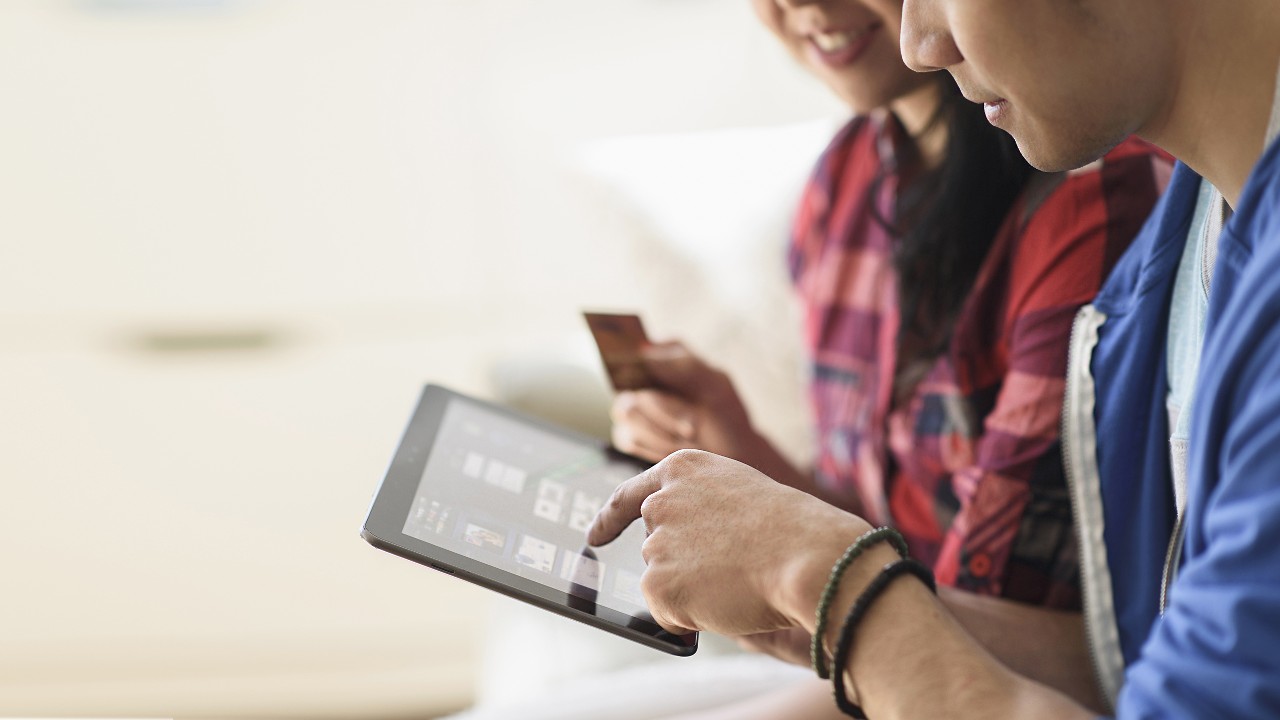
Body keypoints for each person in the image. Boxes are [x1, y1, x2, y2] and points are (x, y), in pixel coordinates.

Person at [589, 0, 1280, 716]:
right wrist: (787, 557)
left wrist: (816, 577)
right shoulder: (1176, 263)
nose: (921, 47)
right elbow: (1121, 657)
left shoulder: (1110, 230)